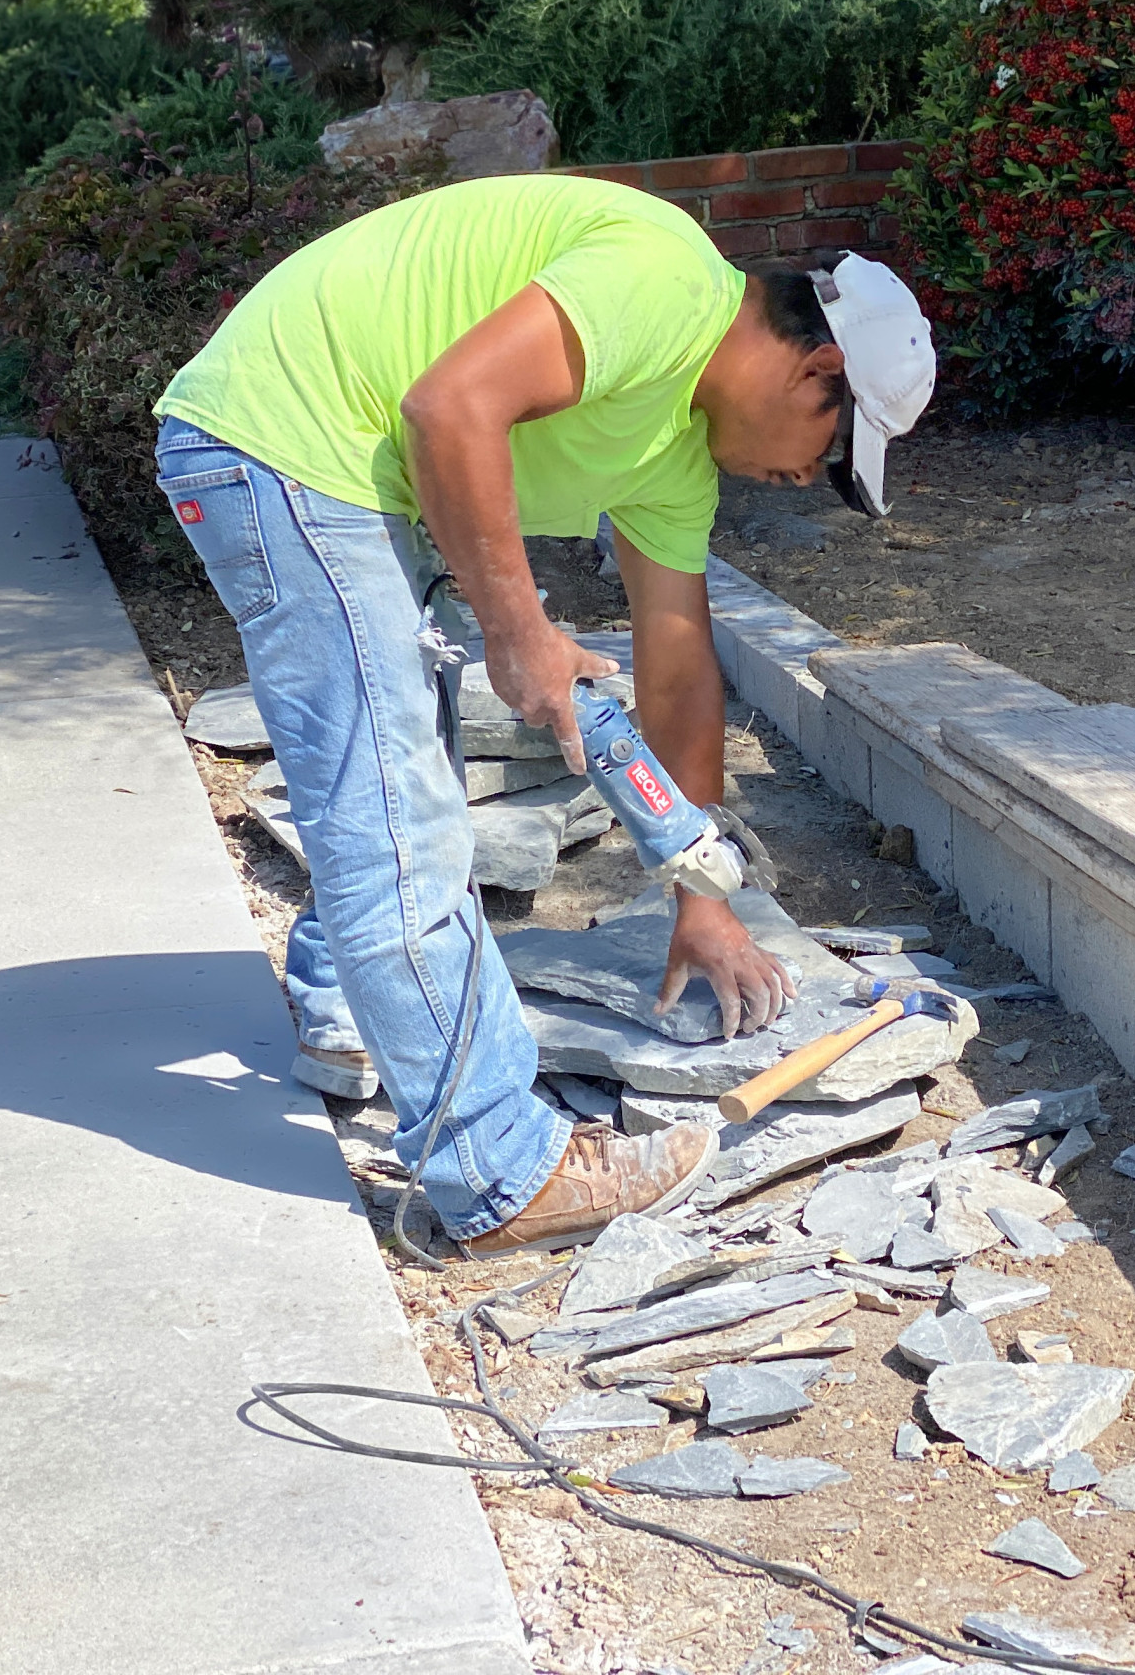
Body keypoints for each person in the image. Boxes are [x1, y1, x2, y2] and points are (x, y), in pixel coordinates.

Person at [152, 172, 935, 1255]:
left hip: (341, 465)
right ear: (820, 366)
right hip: (291, 445)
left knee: (399, 756)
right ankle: (498, 1171)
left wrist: (698, 892)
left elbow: (676, 664)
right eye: (832, 452)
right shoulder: (665, 282)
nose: (809, 480)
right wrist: (517, 631)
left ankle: (345, 1014)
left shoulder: (674, 457)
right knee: (400, 813)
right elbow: (448, 407)